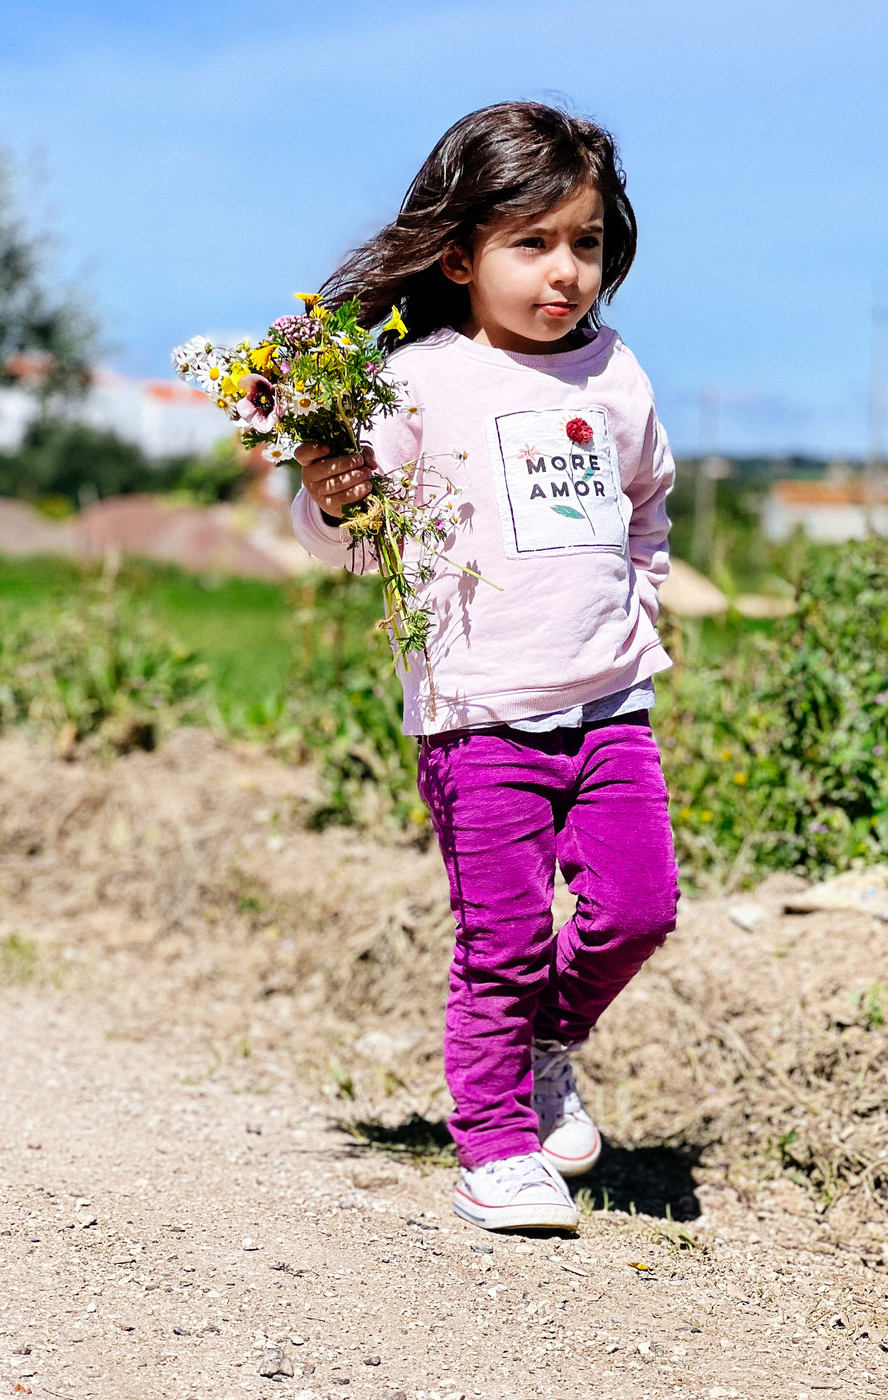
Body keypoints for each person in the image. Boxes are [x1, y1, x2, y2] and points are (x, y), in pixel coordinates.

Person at [291, 102, 679, 1232]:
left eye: (588, 242)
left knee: (639, 909)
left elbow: (647, 509)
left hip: (612, 702)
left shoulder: (618, 374)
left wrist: (635, 602)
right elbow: (354, 537)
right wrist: (328, 496)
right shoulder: (418, 381)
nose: (566, 271)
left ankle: (548, 1039)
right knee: (501, 937)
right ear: (459, 255)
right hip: (478, 715)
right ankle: (497, 1142)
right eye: (534, 242)